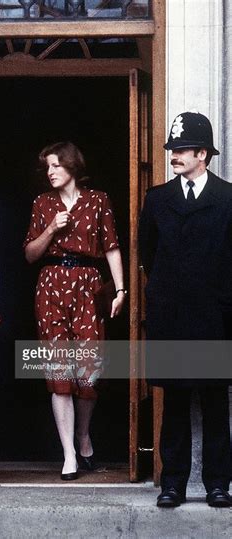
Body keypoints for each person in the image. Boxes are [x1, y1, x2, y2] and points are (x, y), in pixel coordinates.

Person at [139, 111, 232, 508]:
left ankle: (217, 484)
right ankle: (172, 484)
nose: (174, 156)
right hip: (173, 317)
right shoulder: (158, 199)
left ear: (203, 154)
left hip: (214, 316)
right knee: (174, 403)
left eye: (181, 150)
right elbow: (148, 253)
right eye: (172, 150)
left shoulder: (228, 198)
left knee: (214, 403)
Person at [24, 141, 125, 479]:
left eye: (56, 166)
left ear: (72, 167)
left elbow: (111, 246)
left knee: (88, 371)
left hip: (88, 286)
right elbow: (29, 254)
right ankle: (68, 453)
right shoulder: (42, 203)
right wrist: (51, 228)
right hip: (51, 285)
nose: (50, 172)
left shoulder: (98, 200)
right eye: (47, 167)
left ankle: (83, 435)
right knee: (58, 373)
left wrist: (121, 289)